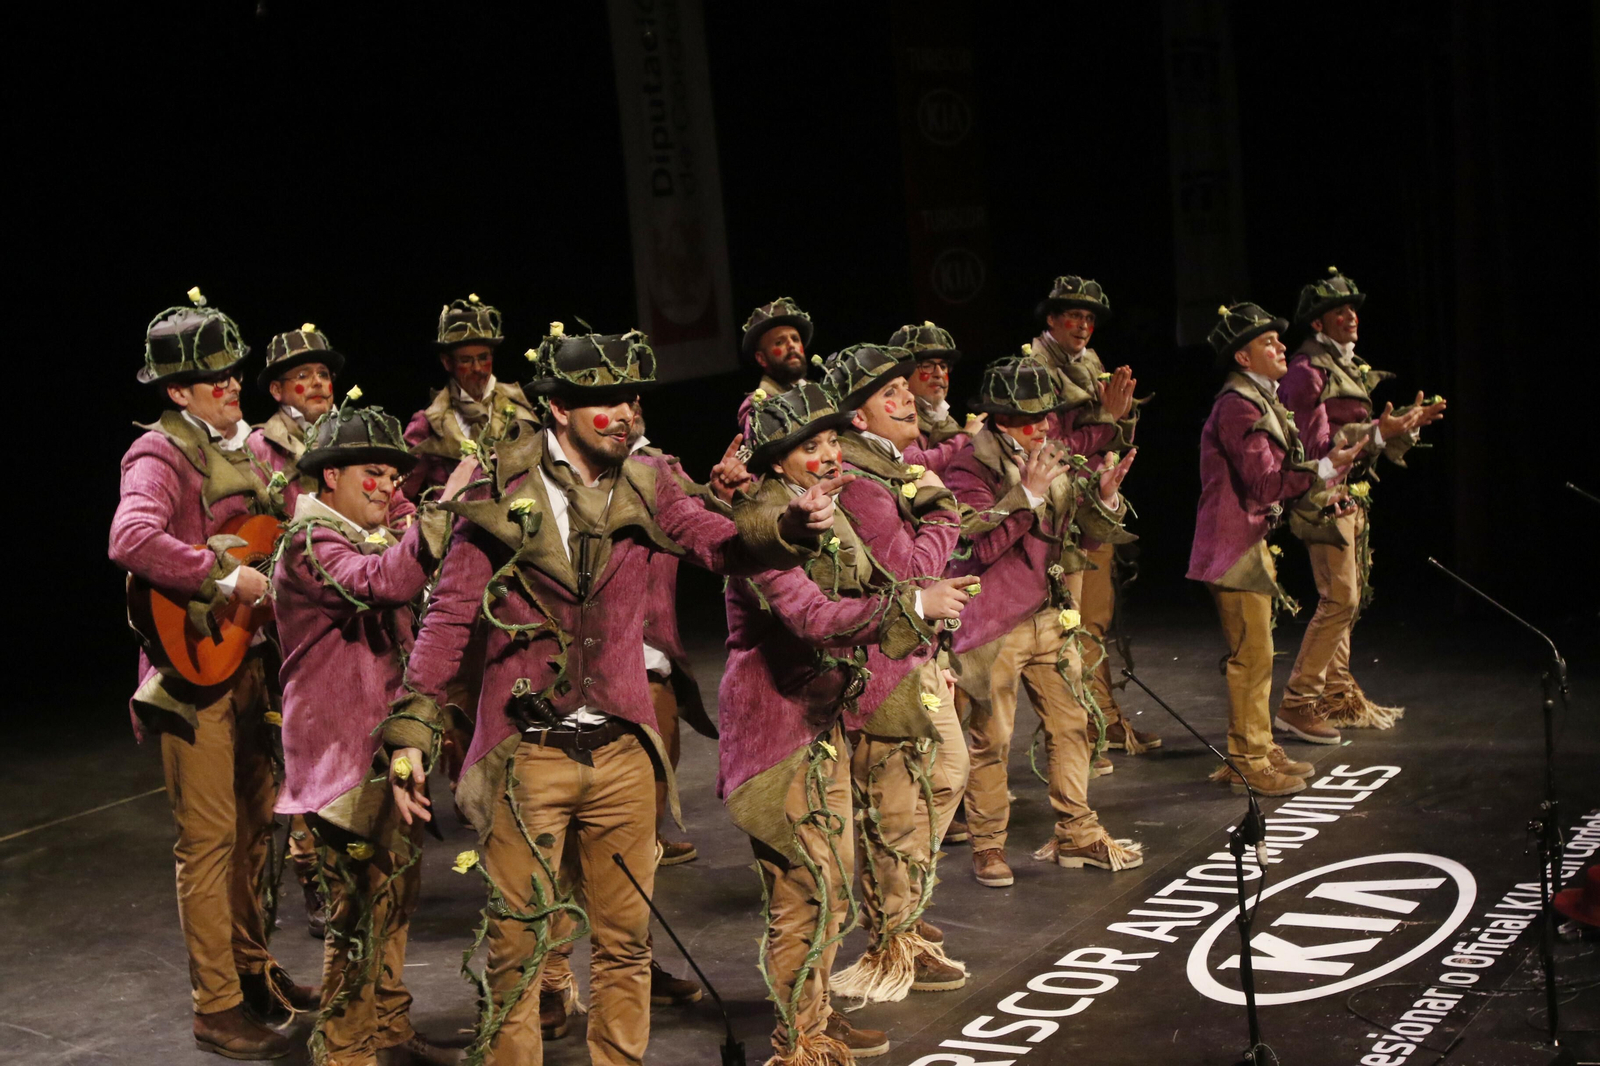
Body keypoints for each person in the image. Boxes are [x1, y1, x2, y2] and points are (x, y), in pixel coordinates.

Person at [387, 324, 838, 1066]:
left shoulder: (649, 479)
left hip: (623, 749)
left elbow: (720, 542)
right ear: (559, 409)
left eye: (632, 400)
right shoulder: (499, 486)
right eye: (606, 401)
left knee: (625, 946)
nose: (626, 414)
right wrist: (413, 728)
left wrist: (784, 525)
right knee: (519, 950)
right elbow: (451, 614)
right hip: (526, 753)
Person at [722, 381, 978, 1063]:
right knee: (805, 891)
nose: (832, 454)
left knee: (831, 886)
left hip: (822, 718)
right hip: (777, 730)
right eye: (812, 445)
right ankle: (797, 1041)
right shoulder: (763, 524)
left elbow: (871, 584)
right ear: (777, 460)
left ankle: (813, 1020)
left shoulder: (825, 510)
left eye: (834, 439)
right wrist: (916, 608)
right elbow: (811, 617)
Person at [109, 289, 316, 1061]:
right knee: (208, 842)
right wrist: (223, 578)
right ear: (176, 392)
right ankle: (216, 1006)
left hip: (253, 664)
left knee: (255, 833)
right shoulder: (159, 455)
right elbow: (131, 537)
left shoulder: (257, 449)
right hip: (192, 676)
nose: (231, 383)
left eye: (233, 371)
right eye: (213, 377)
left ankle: (252, 971)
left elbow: (292, 523)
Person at [271, 399, 469, 1066]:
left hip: (384, 748)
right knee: (357, 916)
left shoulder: (366, 535)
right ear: (330, 477)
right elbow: (381, 583)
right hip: (339, 754)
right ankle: (345, 1049)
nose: (388, 487)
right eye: (372, 474)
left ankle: (385, 1027)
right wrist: (439, 514)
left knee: (394, 896)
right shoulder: (310, 542)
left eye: (393, 475)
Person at [942, 356, 1141, 889]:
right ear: (1001, 419)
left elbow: (1079, 535)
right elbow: (978, 546)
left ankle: (1077, 830)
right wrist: (1026, 496)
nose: (1042, 426)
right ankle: (987, 845)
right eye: (1030, 418)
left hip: (1047, 614)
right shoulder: (969, 469)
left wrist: (1104, 498)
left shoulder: (1051, 455)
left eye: (1046, 415)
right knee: (992, 740)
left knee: (1073, 723)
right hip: (993, 626)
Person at [822, 344, 970, 1004]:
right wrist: (944, 513)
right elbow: (910, 572)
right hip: (881, 669)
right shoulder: (859, 480)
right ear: (857, 418)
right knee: (896, 805)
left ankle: (900, 906)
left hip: (915, 658)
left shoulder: (891, 465)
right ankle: (891, 938)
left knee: (946, 774)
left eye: (905, 388)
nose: (909, 396)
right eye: (890, 393)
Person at [1187, 303, 1364, 794]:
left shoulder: (1257, 399)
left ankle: (1259, 747)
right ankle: (1248, 759)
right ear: (1243, 357)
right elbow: (1265, 484)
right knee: (1251, 657)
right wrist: (1325, 469)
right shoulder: (1237, 405)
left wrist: (1325, 474)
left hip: (1249, 543)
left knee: (1259, 654)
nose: (1282, 346)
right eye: (1268, 342)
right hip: (1231, 548)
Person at [1277, 267, 1447, 734]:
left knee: (1346, 599)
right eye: (1340, 311)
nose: (1351, 316)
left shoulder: (1345, 364)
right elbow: (1314, 447)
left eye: (1353, 309)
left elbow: (1364, 439)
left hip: (1349, 493)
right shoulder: (1306, 372)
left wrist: (1402, 426)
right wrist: (1376, 431)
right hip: (1320, 495)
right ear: (1318, 323)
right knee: (1340, 598)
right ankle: (1298, 700)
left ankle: (1335, 694)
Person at [1031, 275, 1159, 762]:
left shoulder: (1091, 363)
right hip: (1054, 512)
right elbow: (1050, 446)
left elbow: (1111, 435)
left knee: (1093, 621)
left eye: (1088, 318)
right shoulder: (1035, 368)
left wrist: (1118, 417)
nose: (1083, 325)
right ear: (1051, 319)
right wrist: (1106, 420)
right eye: (1073, 315)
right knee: (1067, 627)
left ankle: (1101, 718)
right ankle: (1077, 733)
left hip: (1091, 506)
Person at [402, 294, 537, 502]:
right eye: (466, 360)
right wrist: (433, 516)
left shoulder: (519, 409)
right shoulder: (429, 423)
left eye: (484, 358)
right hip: (454, 519)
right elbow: (399, 492)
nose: (477, 368)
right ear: (447, 362)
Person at [886, 320, 983, 474]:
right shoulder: (896, 419)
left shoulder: (946, 419)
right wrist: (965, 437)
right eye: (927, 366)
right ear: (904, 374)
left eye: (943, 366)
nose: (939, 374)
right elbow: (914, 465)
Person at [738, 297, 815, 430]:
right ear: (761, 358)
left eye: (795, 339)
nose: (791, 345)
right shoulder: (757, 407)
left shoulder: (818, 391)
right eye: (779, 342)